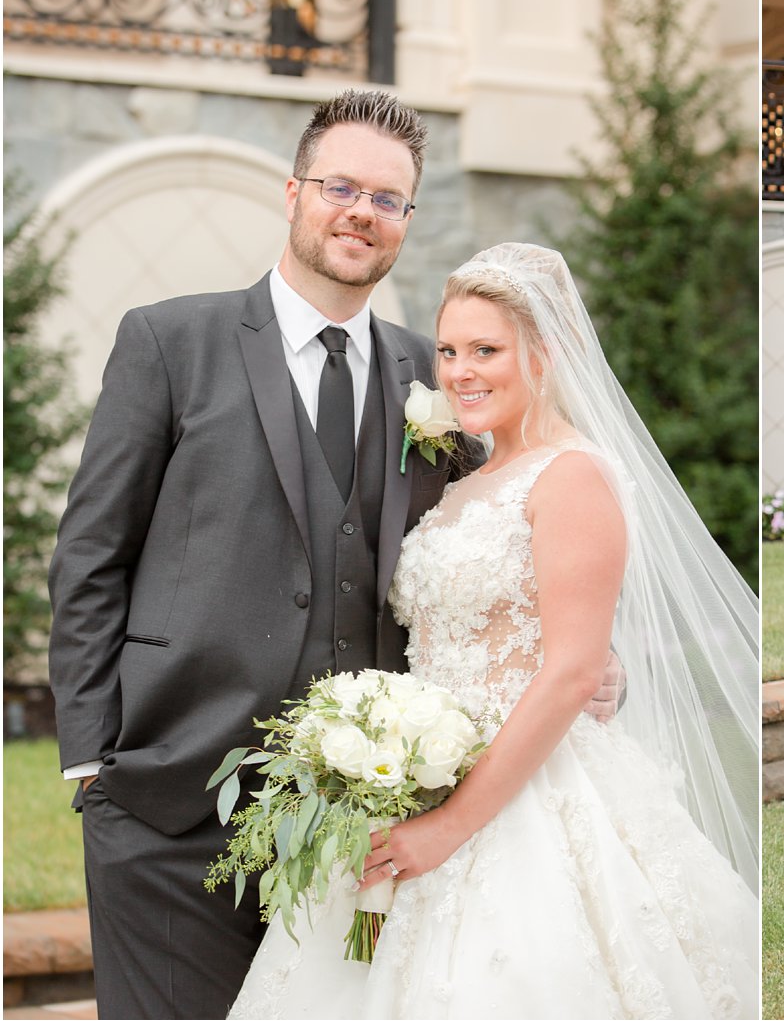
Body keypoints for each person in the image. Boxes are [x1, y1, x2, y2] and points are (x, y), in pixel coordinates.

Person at [47, 91, 621, 1020]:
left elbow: (522, 531)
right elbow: (91, 553)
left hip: (366, 821)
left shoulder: (438, 377)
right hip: (169, 802)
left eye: (388, 198)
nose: (362, 211)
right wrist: (92, 760)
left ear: (404, 221)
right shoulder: (169, 340)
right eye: (341, 186)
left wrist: (587, 659)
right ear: (293, 193)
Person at [227, 243, 760, 1019]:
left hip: (530, 793)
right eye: (448, 350)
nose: (460, 371)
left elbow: (573, 671)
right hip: (412, 776)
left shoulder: (573, 475)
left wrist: (446, 828)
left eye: (486, 349)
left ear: (544, 354)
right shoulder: (466, 479)